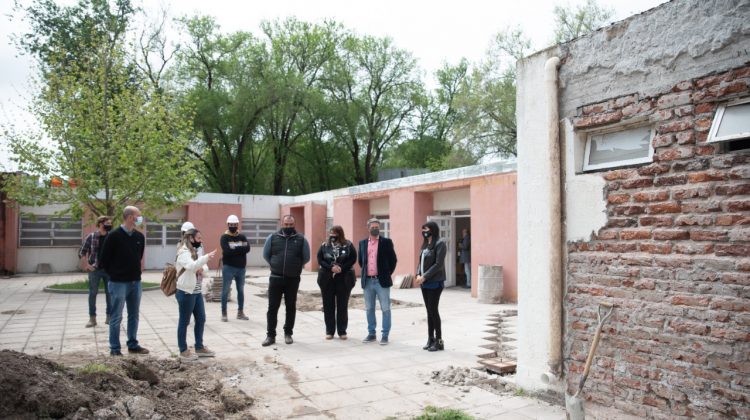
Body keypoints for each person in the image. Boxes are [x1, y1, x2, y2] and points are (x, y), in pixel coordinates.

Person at [99, 206, 149, 356]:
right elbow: (104, 260)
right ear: (129, 217)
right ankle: (115, 349)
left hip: (135, 282)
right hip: (118, 283)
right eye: (138, 216)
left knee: (134, 315)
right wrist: (116, 274)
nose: (140, 219)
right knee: (116, 316)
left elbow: (138, 257)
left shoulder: (139, 237)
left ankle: (133, 344)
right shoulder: (114, 236)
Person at [261, 215, 310, 346]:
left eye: (291, 224)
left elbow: (306, 257)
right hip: (275, 278)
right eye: (286, 224)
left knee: (291, 306)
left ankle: (288, 333)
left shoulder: (301, 239)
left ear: (294, 224)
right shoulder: (272, 237)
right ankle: (270, 336)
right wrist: (274, 263)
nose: (288, 227)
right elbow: (266, 255)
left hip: (292, 279)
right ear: (282, 224)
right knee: (272, 307)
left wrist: (294, 266)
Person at [175, 228, 218, 360]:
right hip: (186, 292)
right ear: (191, 238)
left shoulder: (195, 251)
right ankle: (183, 350)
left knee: (201, 318)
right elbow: (192, 266)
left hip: (197, 291)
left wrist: (201, 265)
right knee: (184, 321)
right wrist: (205, 258)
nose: (201, 241)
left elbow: (204, 268)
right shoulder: (183, 252)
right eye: (198, 238)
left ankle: (199, 347)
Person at [358, 218, 397, 345]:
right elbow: (361, 261)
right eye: (373, 227)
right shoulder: (362, 243)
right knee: (369, 308)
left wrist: (386, 273)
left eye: (377, 227)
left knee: (385, 308)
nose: (375, 229)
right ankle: (371, 333)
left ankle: (385, 335)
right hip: (368, 282)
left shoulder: (386, 242)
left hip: (382, 281)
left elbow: (393, 260)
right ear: (368, 228)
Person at [316, 225, 357, 340]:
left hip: (344, 280)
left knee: (342, 306)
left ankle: (342, 331)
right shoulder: (324, 245)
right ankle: (329, 331)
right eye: (331, 233)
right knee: (328, 305)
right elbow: (320, 259)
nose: (332, 235)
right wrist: (331, 268)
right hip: (327, 279)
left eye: (335, 233)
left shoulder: (348, 245)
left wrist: (341, 268)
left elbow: (353, 259)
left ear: (340, 233)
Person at [414, 221, 447, 351]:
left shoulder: (440, 244)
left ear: (433, 229)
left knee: (433, 311)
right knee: (429, 312)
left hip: (435, 283)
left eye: (426, 229)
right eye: (422, 229)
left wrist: (425, 276)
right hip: (424, 283)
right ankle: (430, 339)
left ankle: (439, 341)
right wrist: (418, 274)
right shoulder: (425, 245)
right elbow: (420, 262)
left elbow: (438, 264)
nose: (424, 231)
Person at [78, 215, 113, 328]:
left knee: (110, 294)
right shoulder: (91, 236)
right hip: (95, 270)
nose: (110, 225)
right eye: (107, 223)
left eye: (110, 223)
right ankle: (92, 319)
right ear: (100, 224)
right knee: (93, 293)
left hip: (109, 270)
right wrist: (87, 265)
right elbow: (82, 252)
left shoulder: (112, 237)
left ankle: (109, 317)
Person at [220, 215, 250, 322]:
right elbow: (227, 251)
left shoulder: (242, 236)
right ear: (228, 225)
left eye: (235, 224)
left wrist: (233, 247)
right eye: (231, 224)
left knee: (240, 290)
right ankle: (224, 313)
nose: (233, 226)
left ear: (237, 225)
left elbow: (247, 248)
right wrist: (240, 248)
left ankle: (240, 312)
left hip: (241, 269)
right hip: (228, 267)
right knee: (225, 290)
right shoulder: (224, 237)